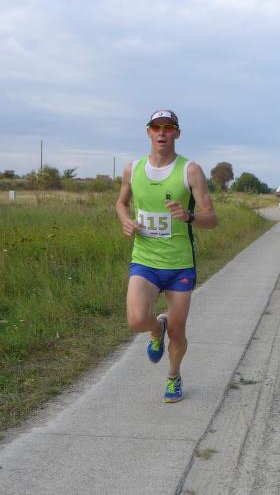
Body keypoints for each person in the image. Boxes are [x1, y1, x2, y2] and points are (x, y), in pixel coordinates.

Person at [116, 109, 218, 403]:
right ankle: (155, 327)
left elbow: (212, 219)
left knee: (177, 330)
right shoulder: (132, 169)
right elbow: (121, 203)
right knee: (137, 320)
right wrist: (126, 220)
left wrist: (189, 217)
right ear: (148, 132)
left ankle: (173, 376)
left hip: (179, 264)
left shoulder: (191, 171)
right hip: (145, 259)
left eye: (169, 127)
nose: (162, 132)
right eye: (156, 127)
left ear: (177, 133)